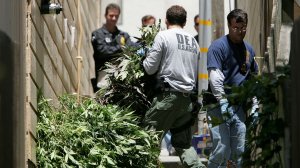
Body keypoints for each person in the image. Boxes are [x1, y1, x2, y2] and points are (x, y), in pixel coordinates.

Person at [142, 5, 206, 168]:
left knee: (145, 141)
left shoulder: (163, 36)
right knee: (184, 146)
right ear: (185, 22)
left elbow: (150, 68)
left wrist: (143, 56)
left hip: (167, 99)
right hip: (186, 103)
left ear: (166, 20)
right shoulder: (193, 42)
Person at [206, 9, 258, 167]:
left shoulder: (248, 50)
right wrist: (222, 101)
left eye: (243, 28)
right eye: (236, 28)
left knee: (239, 150)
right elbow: (215, 78)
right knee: (221, 148)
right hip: (217, 105)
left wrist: (255, 103)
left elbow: (253, 78)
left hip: (238, 106)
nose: (240, 32)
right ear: (229, 26)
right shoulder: (218, 47)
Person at [91, 3, 136, 92]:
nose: (114, 18)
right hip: (104, 74)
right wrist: (120, 47)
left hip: (121, 75)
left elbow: (131, 48)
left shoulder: (123, 35)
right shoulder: (98, 34)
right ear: (105, 15)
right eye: (111, 16)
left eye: (116, 16)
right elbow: (102, 51)